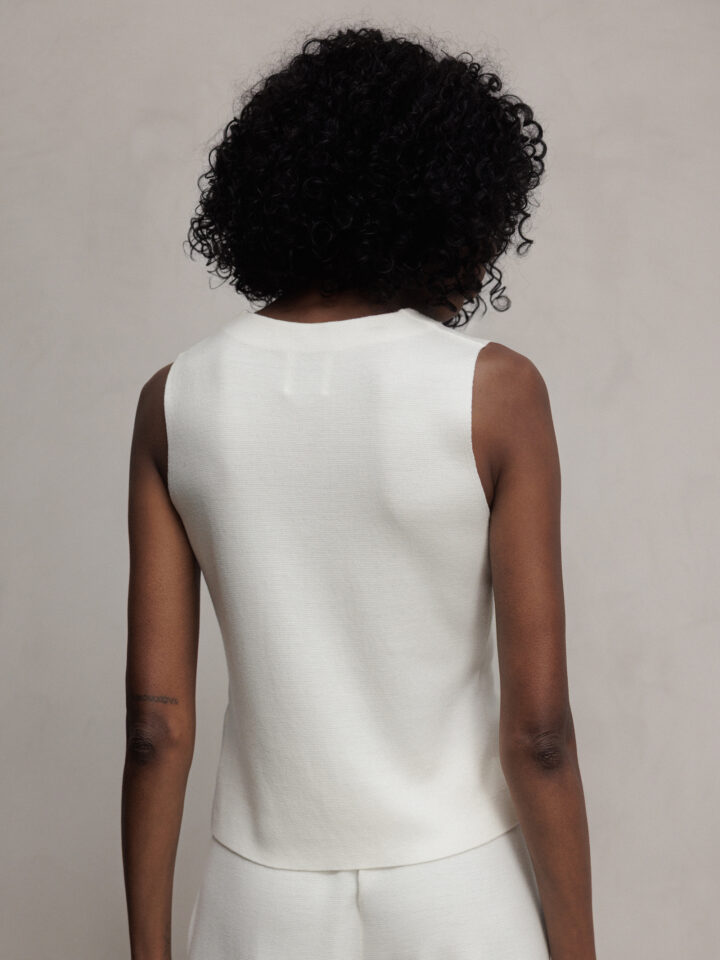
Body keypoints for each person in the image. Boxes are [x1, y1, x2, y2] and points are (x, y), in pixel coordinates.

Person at [122, 24, 596, 960]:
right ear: (453, 201)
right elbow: (539, 736)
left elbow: (155, 727)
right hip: (459, 892)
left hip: (258, 899)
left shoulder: (175, 400)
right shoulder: (495, 393)